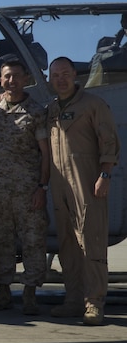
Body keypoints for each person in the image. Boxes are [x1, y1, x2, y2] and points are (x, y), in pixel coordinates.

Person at [47, 56, 120, 325]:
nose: (61, 79)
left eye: (65, 74)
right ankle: (74, 299)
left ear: (74, 75)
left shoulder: (93, 104)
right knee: (67, 245)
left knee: (91, 244)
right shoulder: (52, 108)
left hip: (88, 182)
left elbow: (109, 141)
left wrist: (105, 174)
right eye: (55, 75)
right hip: (60, 185)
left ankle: (94, 303)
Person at [0, 61, 49, 315]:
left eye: (16, 76)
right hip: (0, 189)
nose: (11, 81)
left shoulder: (36, 111)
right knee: (0, 241)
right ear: (0, 80)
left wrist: (42, 187)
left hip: (28, 189)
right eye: (7, 76)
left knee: (33, 241)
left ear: (25, 78)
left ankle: (30, 293)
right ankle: (3, 292)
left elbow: (46, 154)